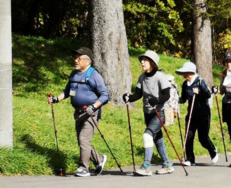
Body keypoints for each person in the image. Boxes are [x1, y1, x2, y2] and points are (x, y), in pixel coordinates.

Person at [48, 47, 109, 177]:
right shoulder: (74, 74)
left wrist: (94, 106)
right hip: (78, 112)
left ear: (88, 61)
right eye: (75, 57)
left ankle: (83, 168)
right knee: (82, 141)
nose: (76, 60)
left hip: (92, 113)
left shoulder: (94, 75)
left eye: (79, 58)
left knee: (83, 139)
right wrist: (55, 99)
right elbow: (67, 91)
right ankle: (99, 159)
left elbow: (105, 95)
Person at [122, 50, 174, 176]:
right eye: (142, 60)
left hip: (159, 111)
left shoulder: (160, 76)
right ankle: (167, 164)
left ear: (152, 62)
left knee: (147, 135)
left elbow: (166, 95)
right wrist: (128, 97)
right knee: (158, 139)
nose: (142, 62)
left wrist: (157, 100)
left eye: (144, 60)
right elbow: (138, 95)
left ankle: (146, 166)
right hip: (148, 112)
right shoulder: (142, 77)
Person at [176, 61, 218, 166]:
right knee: (188, 137)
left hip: (203, 113)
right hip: (191, 114)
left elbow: (208, 95)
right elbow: (183, 99)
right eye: (184, 73)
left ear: (192, 72)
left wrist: (199, 93)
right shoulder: (185, 85)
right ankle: (190, 159)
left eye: (186, 73)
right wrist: (175, 99)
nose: (184, 76)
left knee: (203, 138)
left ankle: (213, 151)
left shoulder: (200, 82)